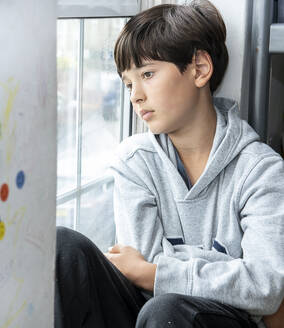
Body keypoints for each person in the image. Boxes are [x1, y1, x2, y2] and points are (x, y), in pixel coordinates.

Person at [54, 1, 284, 327]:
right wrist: (227, 269)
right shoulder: (135, 161)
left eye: (147, 74)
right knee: (64, 247)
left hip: (212, 321)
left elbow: (265, 288)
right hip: (147, 313)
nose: (135, 95)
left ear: (199, 69)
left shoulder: (261, 171)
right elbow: (139, 274)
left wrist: (159, 270)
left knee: (167, 310)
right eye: (129, 83)